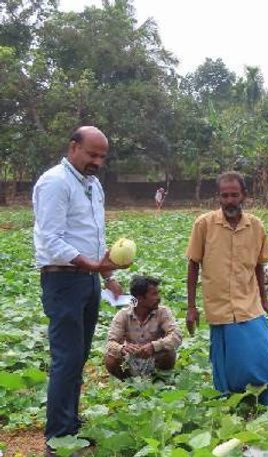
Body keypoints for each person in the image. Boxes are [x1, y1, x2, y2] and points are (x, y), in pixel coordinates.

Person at [32, 126, 128, 451]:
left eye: (102, 156)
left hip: (87, 280)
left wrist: (106, 277)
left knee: (79, 356)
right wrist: (91, 267)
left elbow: (94, 238)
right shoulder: (55, 182)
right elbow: (50, 239)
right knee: (67, 357)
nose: (98, 162)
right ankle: (58, 437)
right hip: (63, 280)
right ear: (73, 147)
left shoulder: (93, 185)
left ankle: (69, 422)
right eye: (92, 154)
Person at [185, 171, 268, 406]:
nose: (229, 200)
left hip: (249, 303)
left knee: (260, 354)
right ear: (218, 197)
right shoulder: (204, 224)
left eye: (234, 195)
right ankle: (232, 400)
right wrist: (191, 307)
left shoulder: (256, 226)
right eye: (224, 195)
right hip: (219, 306)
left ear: (244, 196)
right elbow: (193, 264)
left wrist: (265, 301)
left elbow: (259, 267)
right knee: (227, 362)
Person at [105, 276, 181, 380]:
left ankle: (159, 379)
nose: (158, 297)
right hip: (131, 358)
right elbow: (110, 343)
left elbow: (176, 335)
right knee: (110, 359)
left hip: (155, 357)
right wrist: (122, 349)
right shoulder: (123, 315)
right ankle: (128, 382)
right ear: (140, 298)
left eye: (158, 293)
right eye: (154, 294)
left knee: (169, 353)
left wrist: (154, 346)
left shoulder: (163, 312)